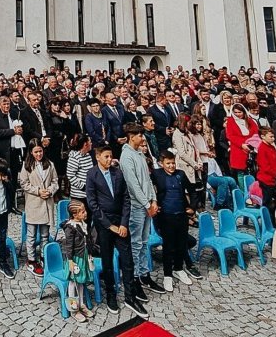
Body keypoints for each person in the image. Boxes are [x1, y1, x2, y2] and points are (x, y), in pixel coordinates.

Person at [84, 144, 142, 317]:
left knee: (127, 260)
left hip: (121, 222)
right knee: (107, 261)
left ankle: (131, 297)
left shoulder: (118, 173)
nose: (110, 160)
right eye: (106, 157)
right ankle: (111, 295)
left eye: (111, 156)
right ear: (98, 157)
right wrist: (109, 225)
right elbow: (92, 203)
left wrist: (124, 223)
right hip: (105, 225)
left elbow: (126, 198)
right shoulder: (92, 175)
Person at [120, 123, 162, 301]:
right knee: (136, 243)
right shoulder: (126, 156)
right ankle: (134, 277)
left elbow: (147, 179)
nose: (142, 138)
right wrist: (146, 203)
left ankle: (144, 273)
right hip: (137, 206)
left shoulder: (139, 154)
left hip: (146, 204)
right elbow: (133, 184)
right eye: (139, 135)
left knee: (144, 241)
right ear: (131, 136)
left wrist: (153, 199)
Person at [151, 151, 199, 292]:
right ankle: (167, 275)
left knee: (181, 243)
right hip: (166, 216)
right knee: (168, 246)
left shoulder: (181, 174)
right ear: (161, 163)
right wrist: (153, 204)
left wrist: (192, 207)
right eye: (168, 163)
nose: (171, 166)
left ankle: (179, 268)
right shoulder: (157, 174)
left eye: (173, 163)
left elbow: (192, 191)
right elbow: (148, 188)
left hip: (181, 215)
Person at [18, 140, 57, 274]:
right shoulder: (27, 165)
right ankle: (32, 259)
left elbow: (55, 181)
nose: (39, 154)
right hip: (34, 203)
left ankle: (43, 257)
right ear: (31, 152)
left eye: (40, 151)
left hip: (46, 203)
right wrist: (38, 191)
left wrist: (50, 190)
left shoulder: (50, 164)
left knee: (45, 235)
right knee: (32, 235)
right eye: (36, 152)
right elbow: (24, 183)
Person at [57, 201, 95, 323]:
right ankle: (73, 308)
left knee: (81, 281)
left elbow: (87, 240)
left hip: (83, 256)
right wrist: (70, 261)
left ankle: (81, 304)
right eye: (82, 212)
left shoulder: (83, 224)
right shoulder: (71, 227)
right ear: (74, 214)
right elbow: (68, 246)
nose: (85, 213)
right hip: (75, 259)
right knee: (73, 282)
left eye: (85, 211)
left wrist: (89, 253)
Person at [225, 103, 259, 184]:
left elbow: (256, 133)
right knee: (241, 172)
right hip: (238, 149)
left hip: (251, 148)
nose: (238, 114)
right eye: (235, 112)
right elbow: (230, 136)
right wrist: (241, 144)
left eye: (239, 112)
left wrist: (251, 143)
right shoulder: (230, 121)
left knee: (253, 171)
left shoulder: (250, 121)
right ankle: (244, 192)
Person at [255, 127, 276, 212]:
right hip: (266, 179)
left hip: (273, 178)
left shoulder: (272, 147)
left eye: (273, 136)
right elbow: (265, 167)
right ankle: (266, 220)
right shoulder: (262, 148)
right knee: (267, 201)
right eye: (271, 137)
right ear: (263, 136)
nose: (273, 139)